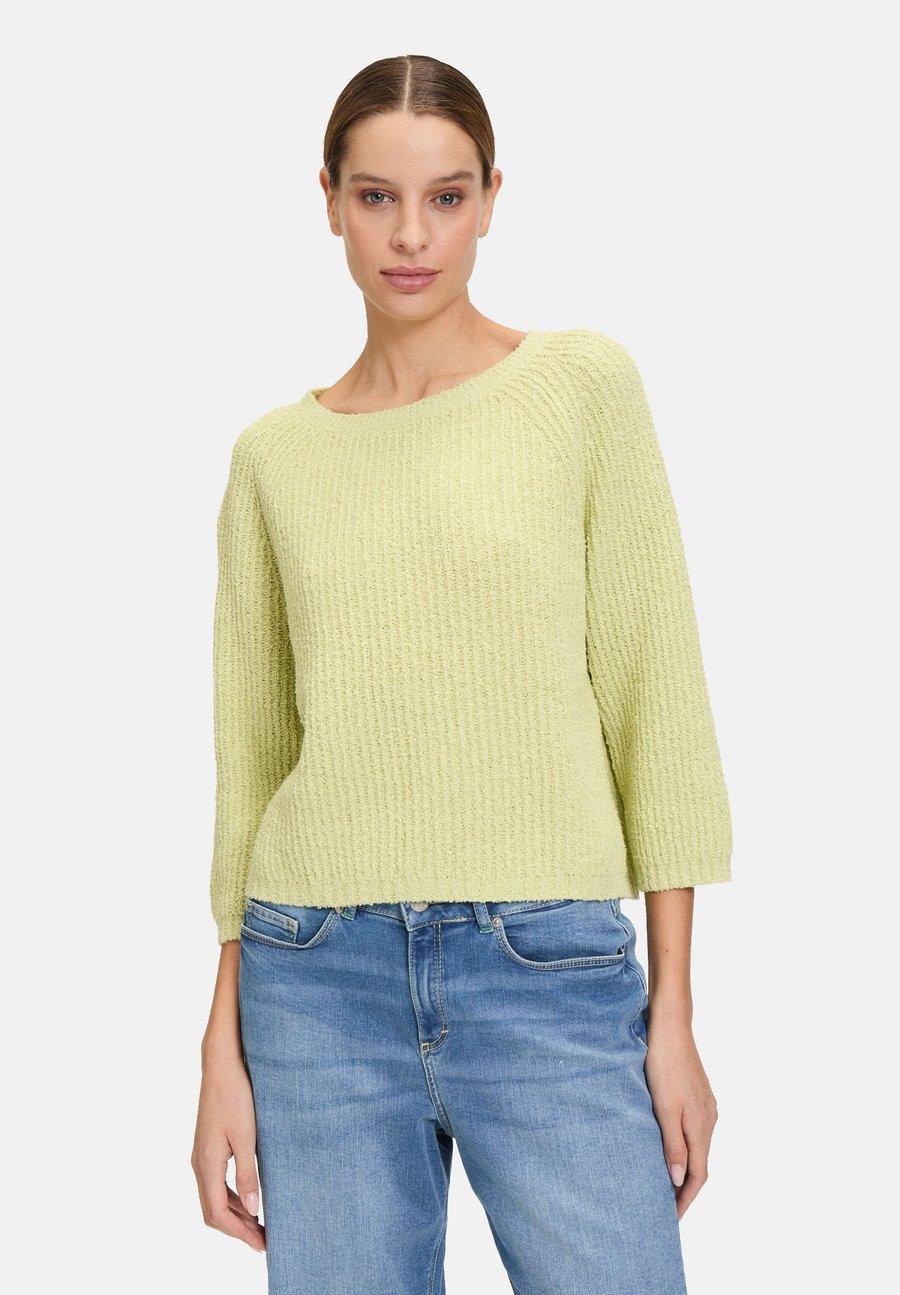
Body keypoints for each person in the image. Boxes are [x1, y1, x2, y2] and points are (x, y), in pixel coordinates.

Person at [191, 53, 732, 1295]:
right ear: (329, 200)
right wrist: (221, 1042)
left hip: (545, 963)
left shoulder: (580, 388)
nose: (411, 235)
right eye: (376, 197)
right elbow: (252, 761)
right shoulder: (274, 458)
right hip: (312, 974)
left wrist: (675, 1015)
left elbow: (656, 697)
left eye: (445, 196)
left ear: (492, 197)